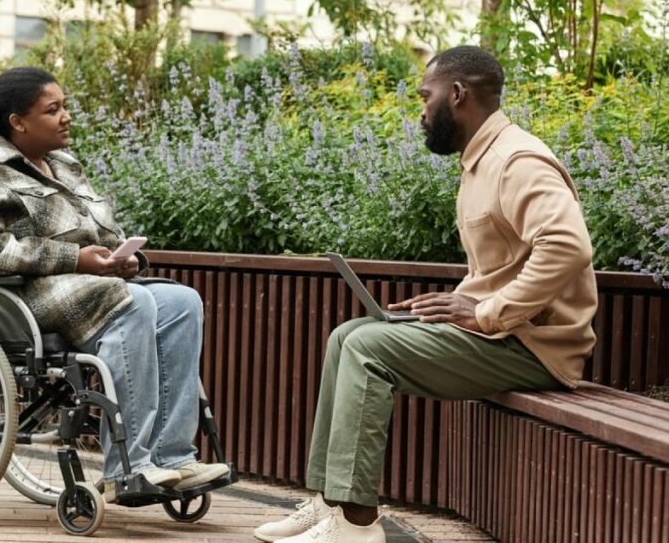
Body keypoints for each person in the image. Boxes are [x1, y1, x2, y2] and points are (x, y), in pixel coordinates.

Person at [254, 46, 598, 543]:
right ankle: (330, 503)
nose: (420, 109)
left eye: (425, 95)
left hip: (534, 346)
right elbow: (506, 262)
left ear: (456, 94)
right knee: (348, 335)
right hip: (501, 335)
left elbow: (568, 247)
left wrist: (486, 310)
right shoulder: (480, 162)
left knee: (368, 349)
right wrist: (464, 304)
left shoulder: (516, 161)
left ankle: (355, 526)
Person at [0, 67, 230, 500]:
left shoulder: (62, 165)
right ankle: (128, 467)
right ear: (17, 122)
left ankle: (173, 457)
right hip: (20, 294)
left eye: (64, 106)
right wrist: (75, 258)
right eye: (52, 110)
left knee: (182, 301)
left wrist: (120, 258)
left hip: (84, 283)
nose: (66, 116)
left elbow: (97, 230)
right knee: (133, 305)